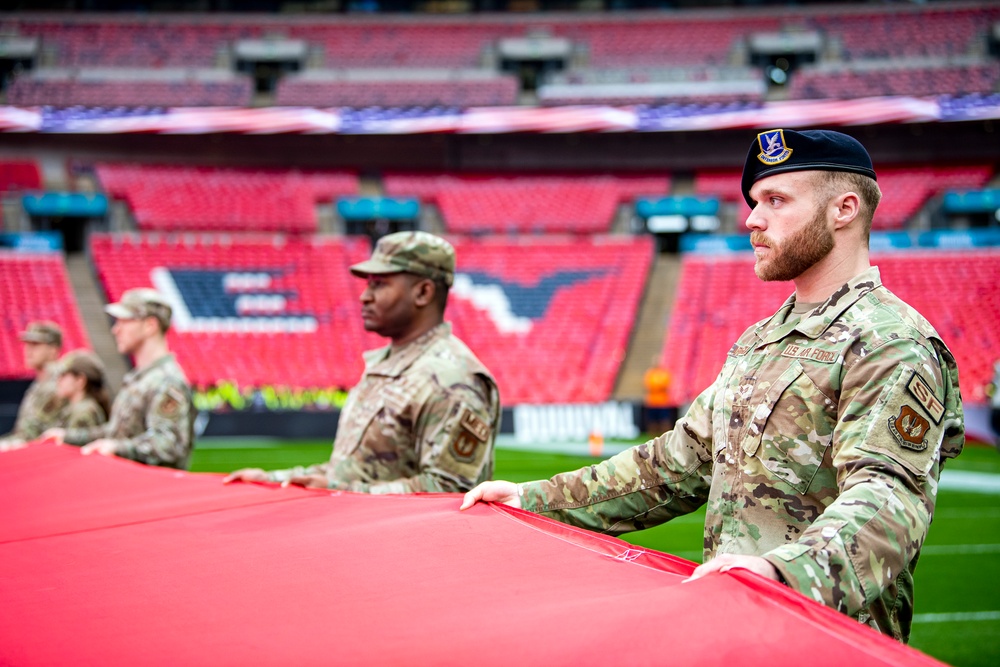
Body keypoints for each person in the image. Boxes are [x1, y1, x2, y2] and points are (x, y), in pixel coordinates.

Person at [461, 129, 964, 643]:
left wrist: (783, 576)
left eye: (776, 200)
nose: (752, 218)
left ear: (844, 209)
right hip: (739, 632)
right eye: (753, 202)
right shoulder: (760, 341)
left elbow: (889, 499)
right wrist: (534, 498)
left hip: (824, 641)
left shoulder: (891, 341)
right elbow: (675, 464)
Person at [225, 230, 500, 494]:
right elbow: (347, 471)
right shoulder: (388, 364)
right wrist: (273, 480)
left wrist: (342, 491)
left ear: (423, 293)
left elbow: (449, 492)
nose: (365, 296)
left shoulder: (453, 377)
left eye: (379, 284)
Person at [44, 288, 194, 469]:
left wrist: (117, 448)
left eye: (125, 321)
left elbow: (168, 444)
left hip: (152, 491)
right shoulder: (139, 378)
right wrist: (67, 437)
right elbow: (115, 432)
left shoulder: (167, 380)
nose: (116, 330)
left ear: (150, 325)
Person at [0, 321, 66, 450]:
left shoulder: (58, 386)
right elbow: (21, 433)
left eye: (35, 344)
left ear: (53, 350)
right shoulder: (38, 385)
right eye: (27, 344)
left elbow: (33, 435)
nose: (28, 350)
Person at [53, 350, 112, 430]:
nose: (59, 380)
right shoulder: (78, 408)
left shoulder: (83, 411)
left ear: (80, 381)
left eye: (64, 375)